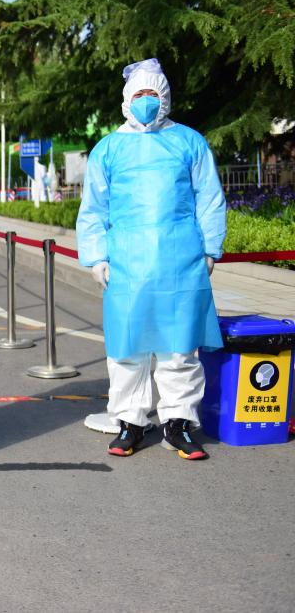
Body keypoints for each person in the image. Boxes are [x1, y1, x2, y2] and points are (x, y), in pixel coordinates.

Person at [76, 58, 226, 461]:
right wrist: (96, 256)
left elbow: (209, 198)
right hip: (126, 263)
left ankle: (179, 423)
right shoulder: (108, 148)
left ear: (166, 98)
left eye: (153, 94)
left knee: (180, 349)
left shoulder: (190, 142)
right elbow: (94, 208)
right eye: (140, 94)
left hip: (181, 260)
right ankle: (130, 422)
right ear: (127, 100)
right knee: (128, 348)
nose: (147, 101)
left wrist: (210, 249)